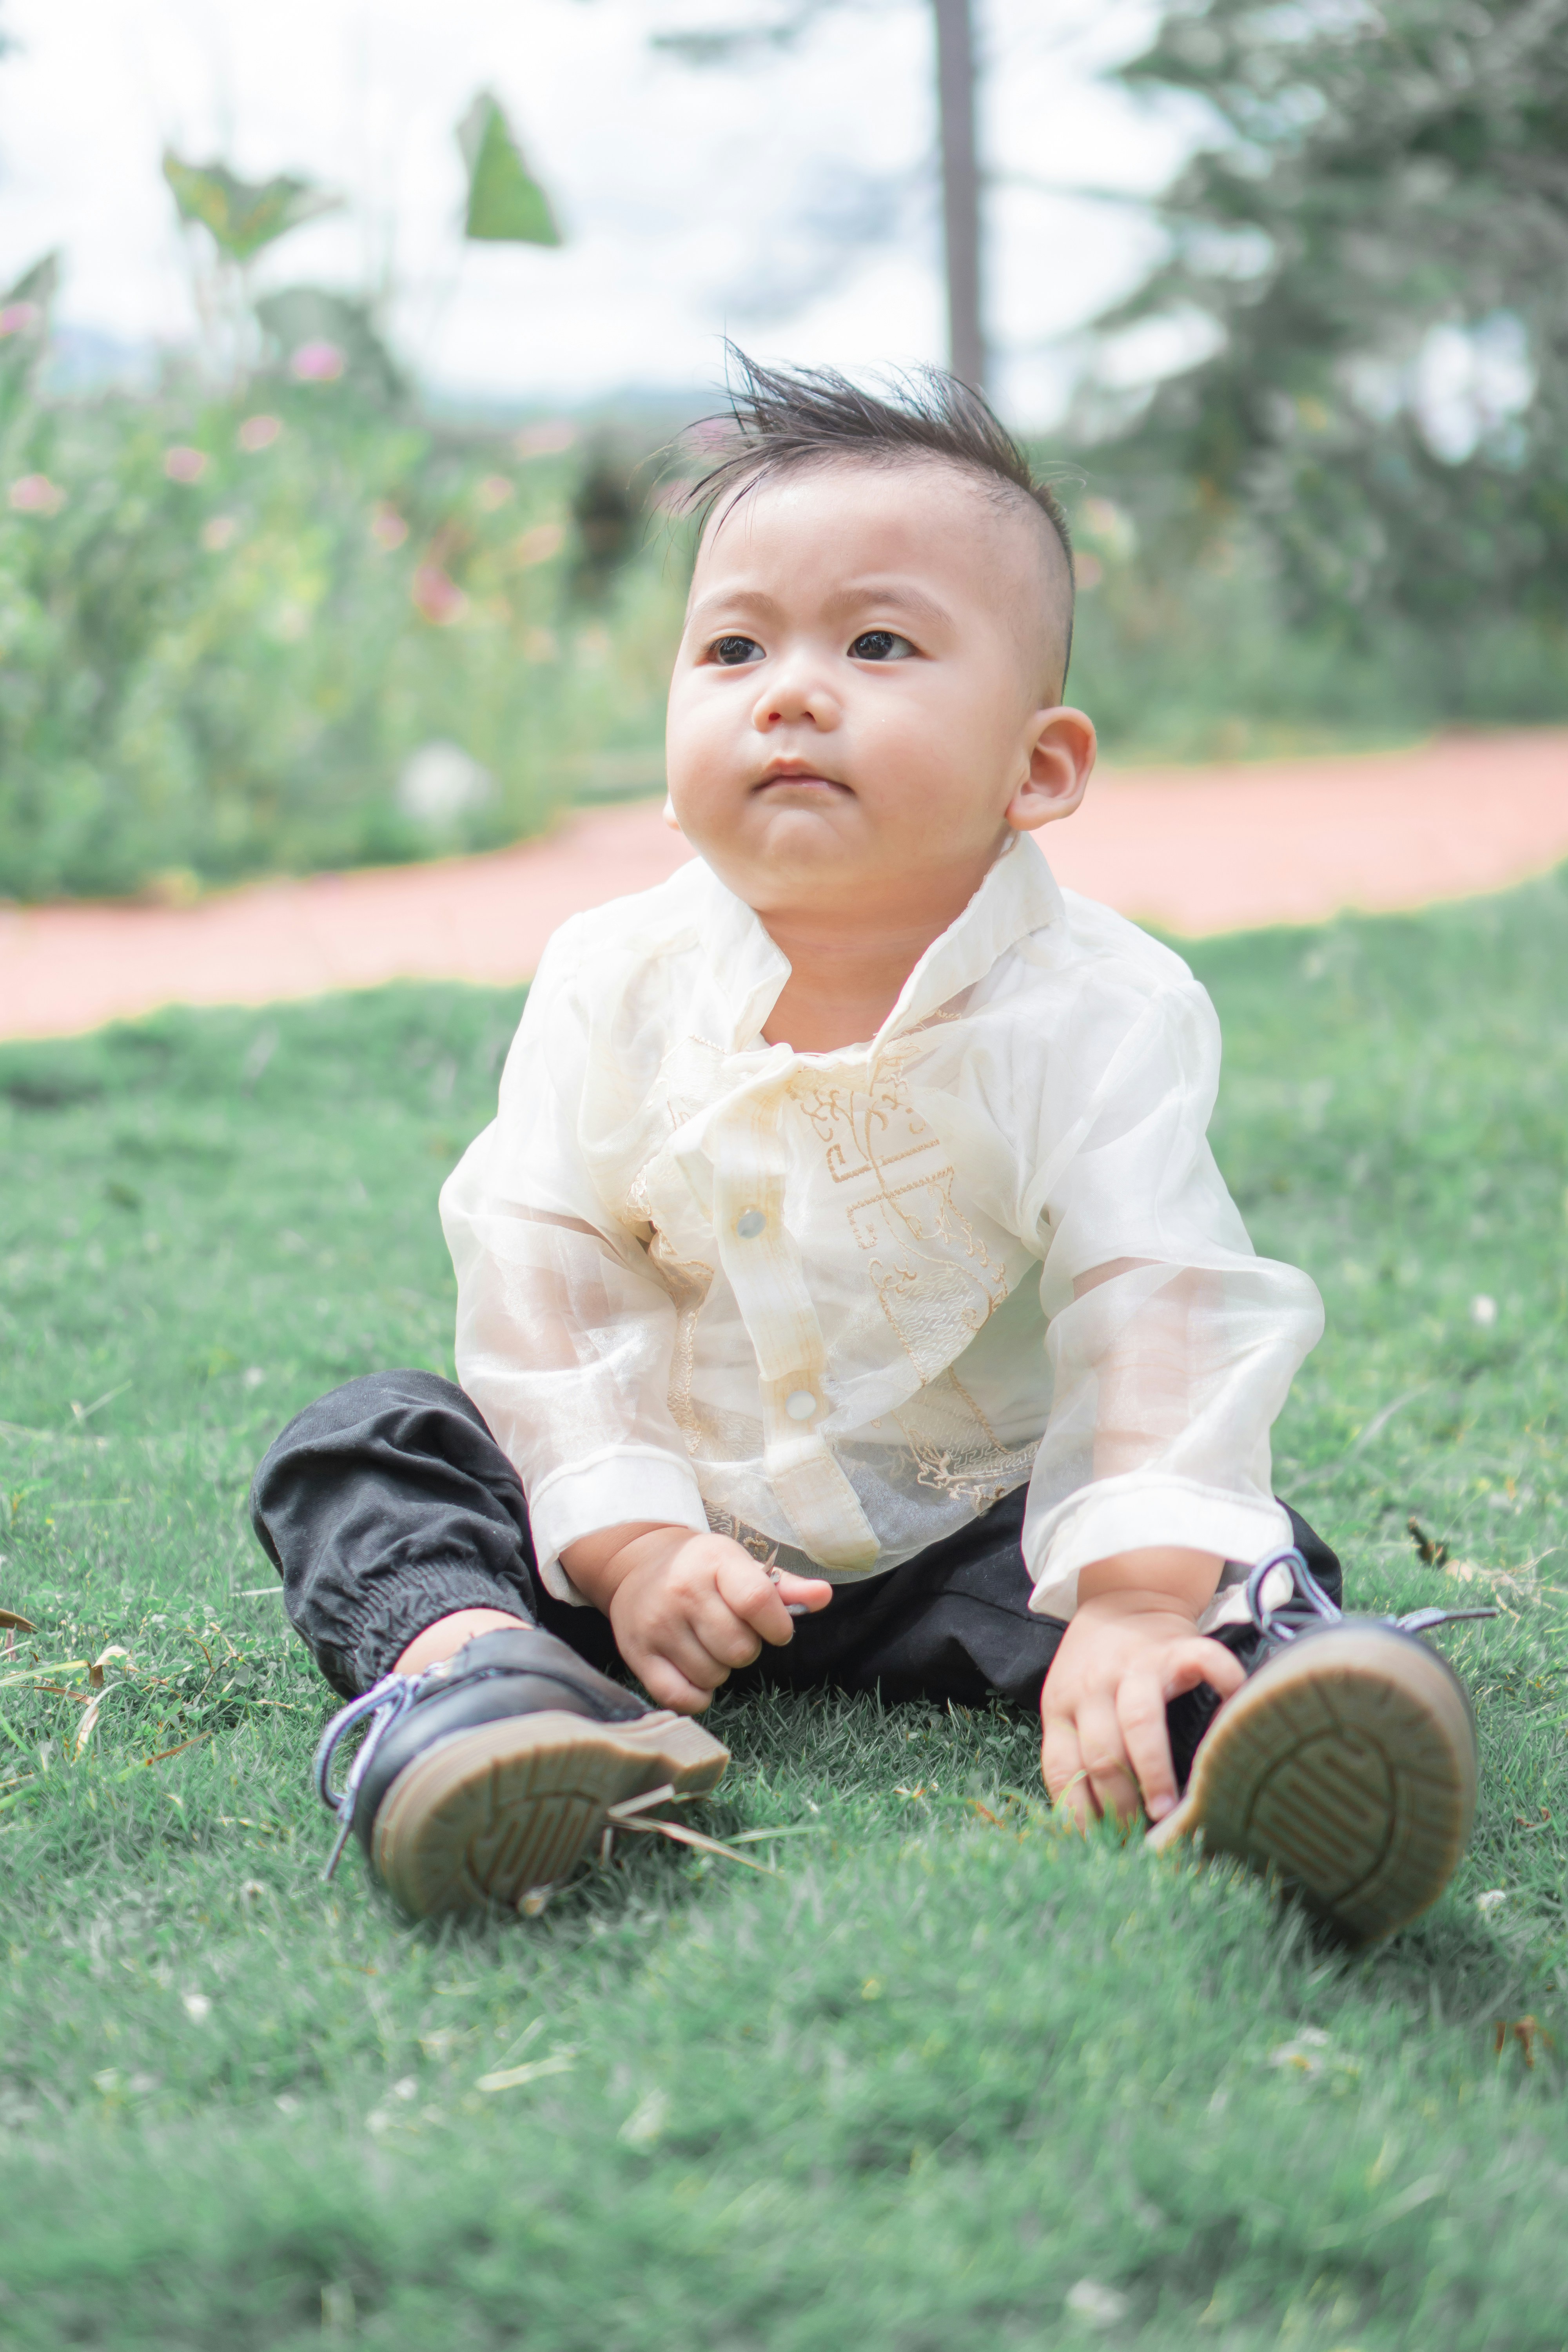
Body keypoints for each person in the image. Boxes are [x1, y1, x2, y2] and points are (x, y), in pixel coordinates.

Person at [251, 354, 1486, 1944]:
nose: (790, 688)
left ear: (1036, 769)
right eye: (735, 645)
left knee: (1195, 1546)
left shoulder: (1095, 1011)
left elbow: (1154, 1299)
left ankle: (1225, 1712)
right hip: (653, 1550)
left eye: (879, 643)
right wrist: (631, 1548)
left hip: (955, 1537)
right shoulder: (608, 977)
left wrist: (1123, 1593)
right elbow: (541, 1265)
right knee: (361, 1446)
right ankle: (488, 1689)